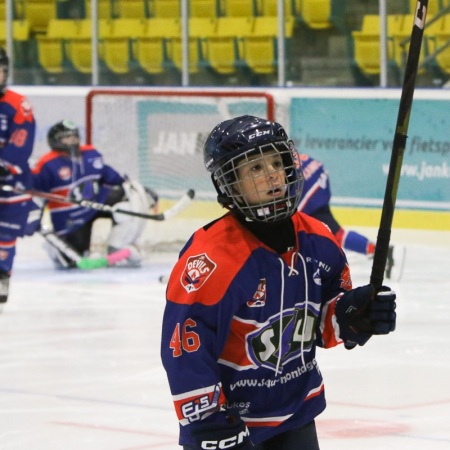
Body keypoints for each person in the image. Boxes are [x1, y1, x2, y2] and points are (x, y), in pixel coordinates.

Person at [160, 115, 397, 450]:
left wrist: (352, 315)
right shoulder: (213, 259)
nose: (272, 174)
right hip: (229, 424)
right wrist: (209, 421)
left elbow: (320, 325)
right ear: (229, 185)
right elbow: (184, 351)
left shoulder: (319, 240)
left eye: (276, 162)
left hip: (297, 414)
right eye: (255, 168)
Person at [31, 120, 158, 269]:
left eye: (74, 137)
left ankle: (118, 248)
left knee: (131, 194)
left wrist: (139, 190)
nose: (72, 141)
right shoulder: (47, 165)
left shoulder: (90, 154)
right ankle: (54, 247)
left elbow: (113, 178)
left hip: (94, 204)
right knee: (70, 263)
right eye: (66, 138)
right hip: (70, 220)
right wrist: (32, 214)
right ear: (55, 141)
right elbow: (33, 193)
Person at [298, 153, 399, 278]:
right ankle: (378, 251)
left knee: (333, 233)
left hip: (311, 192)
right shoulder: (287, 154)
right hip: (317, 183)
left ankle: (379, 252)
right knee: (328, 232)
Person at [0, 47, 36, 306]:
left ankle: (2, 275)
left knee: (5, 234)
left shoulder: (17, 104)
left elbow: (20, 144)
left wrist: (5, 166)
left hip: (10, 183)